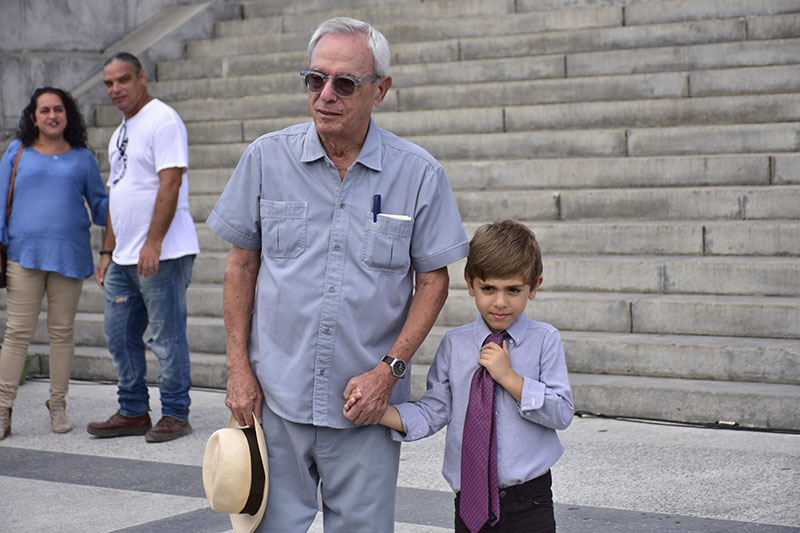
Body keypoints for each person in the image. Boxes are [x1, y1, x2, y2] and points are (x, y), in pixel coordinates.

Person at [206, 17, 469, 532]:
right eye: (315, 79)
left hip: (366, 409)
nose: (325, 95)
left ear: (380, 91)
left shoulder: (419, 173)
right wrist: (238, 370)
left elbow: (433, 281)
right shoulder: (266, 158)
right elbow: (240, 265)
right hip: (274, 401)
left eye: (345, 83)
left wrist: (388, 372)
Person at [346, 220, 574, 533]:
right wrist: (377, 411)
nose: (500, 302)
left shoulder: (544, 340)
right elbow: (434, 410)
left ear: (534, 287)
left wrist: (510, 378)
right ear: (470, 283)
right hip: (471, 501)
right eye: (488, 288)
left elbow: (561, 412)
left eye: (513, 290)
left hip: (529, 500)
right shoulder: (455, 345)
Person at [86, 52, 200, 443]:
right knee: (119, 335)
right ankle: (133, 410)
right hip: (123, 257)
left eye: (123, 80)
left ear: (141, 77)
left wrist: (153, 242)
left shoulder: (162, 119)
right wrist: (107, 251)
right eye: (109, 83)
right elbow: (117, 193)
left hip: (162, 254)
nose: (115, 89)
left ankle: (176, 414)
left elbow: (171, 183)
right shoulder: (120, 132)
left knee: (167, 339)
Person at [0, 86, 108, 440]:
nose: (52, 116)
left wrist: (131, 197)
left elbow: (100, 207)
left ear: (67, 114)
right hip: (23, 255)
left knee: (62, 333)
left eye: (58, 109)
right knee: (18, 332)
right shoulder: (17, 151)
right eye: (44, 110)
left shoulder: (82, 158)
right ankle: (3, 408)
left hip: (69, 256)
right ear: (33, 117)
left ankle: (57, 403)